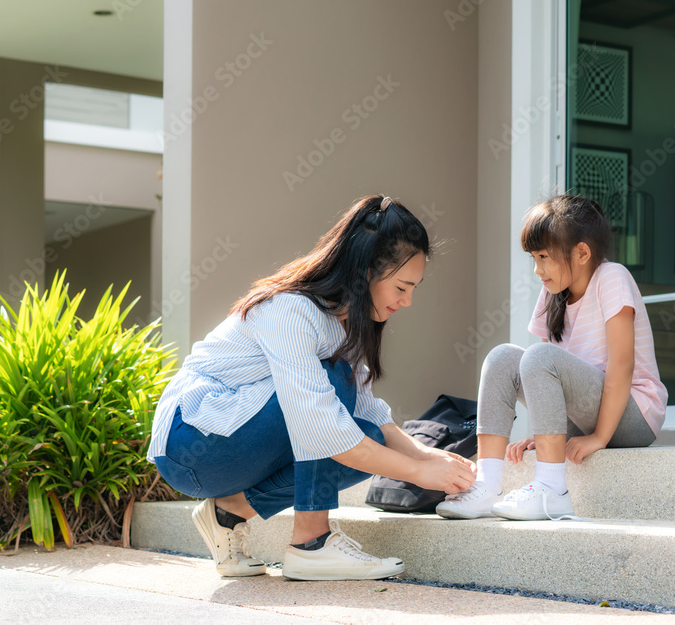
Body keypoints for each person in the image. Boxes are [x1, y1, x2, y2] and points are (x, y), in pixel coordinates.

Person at [147, 195, 476, 580]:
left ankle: (230, 510)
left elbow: (373, 418)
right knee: (332, 395)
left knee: (367, 434)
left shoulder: (342, 325)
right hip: (190, 443)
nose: (407, 301)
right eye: (402, 287)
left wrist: (429, 458)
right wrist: (418, 474)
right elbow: (320, 425)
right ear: (366, 271)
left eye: (413, 289)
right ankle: (311, 544)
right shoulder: (291, 310)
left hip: (231, 446)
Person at [436, 195, 666, 521]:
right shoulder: (552, 292)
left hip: (633, 416)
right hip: (585, 412)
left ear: (582, 253)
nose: (536, 269)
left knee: (540, 356)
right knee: (502, 357)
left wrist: (599, 437)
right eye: (533, 257)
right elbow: (539, 377)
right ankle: (487, 486)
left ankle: (552, 489)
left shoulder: (611, 278)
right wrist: (544, 435)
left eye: (543, 257)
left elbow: (622, 365)